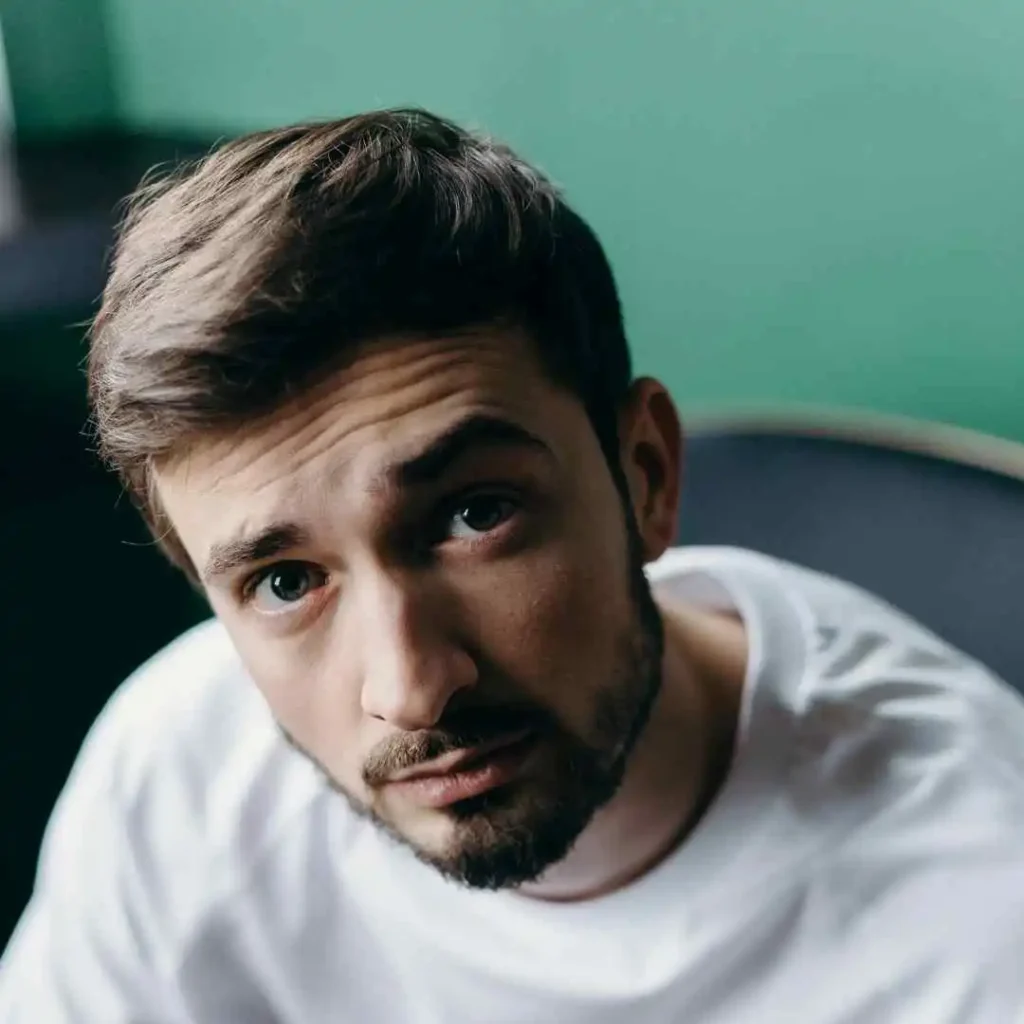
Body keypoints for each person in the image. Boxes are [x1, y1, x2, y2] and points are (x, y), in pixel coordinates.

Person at [1, 108, 1022, 1024]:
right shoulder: (180, 777)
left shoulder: (981, 907)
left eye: (473, 515)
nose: (408, 689)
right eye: (283, 581)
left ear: (645, 474)